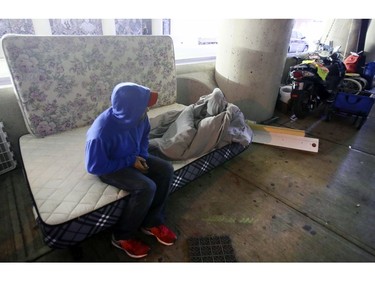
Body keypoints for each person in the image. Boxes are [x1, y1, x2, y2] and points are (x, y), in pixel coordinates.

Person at [85, 82, 177, 259]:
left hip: (132, 157)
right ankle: (122, 236)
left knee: (166, 168)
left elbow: (144, 138)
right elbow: (94, 166)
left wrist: (141, 156)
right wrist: (130, 161)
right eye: (145, 105)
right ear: (131, 110)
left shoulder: (140, 118)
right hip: (109, 165)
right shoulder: (101, 133)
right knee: (146, 187)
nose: (148, 109)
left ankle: (152, 222)